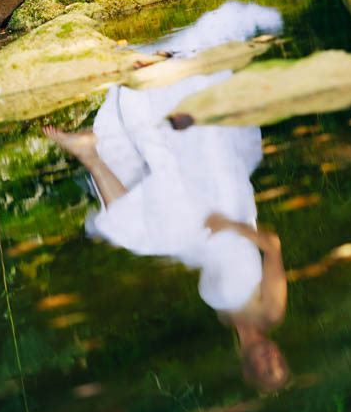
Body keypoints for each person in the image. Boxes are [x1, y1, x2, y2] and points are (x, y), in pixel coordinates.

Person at [43, 62, 289, 392]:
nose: (271, 359)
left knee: (135, 230)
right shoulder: (270, 313)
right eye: (279, 361)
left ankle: (90, 153)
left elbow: (217, 265)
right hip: (226, 214)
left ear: (249, 370)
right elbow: (271, 244)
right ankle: (102, 138)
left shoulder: (227, 318)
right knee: (150, 196)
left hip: (202, 235)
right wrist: (226, 224)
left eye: (266, 369)